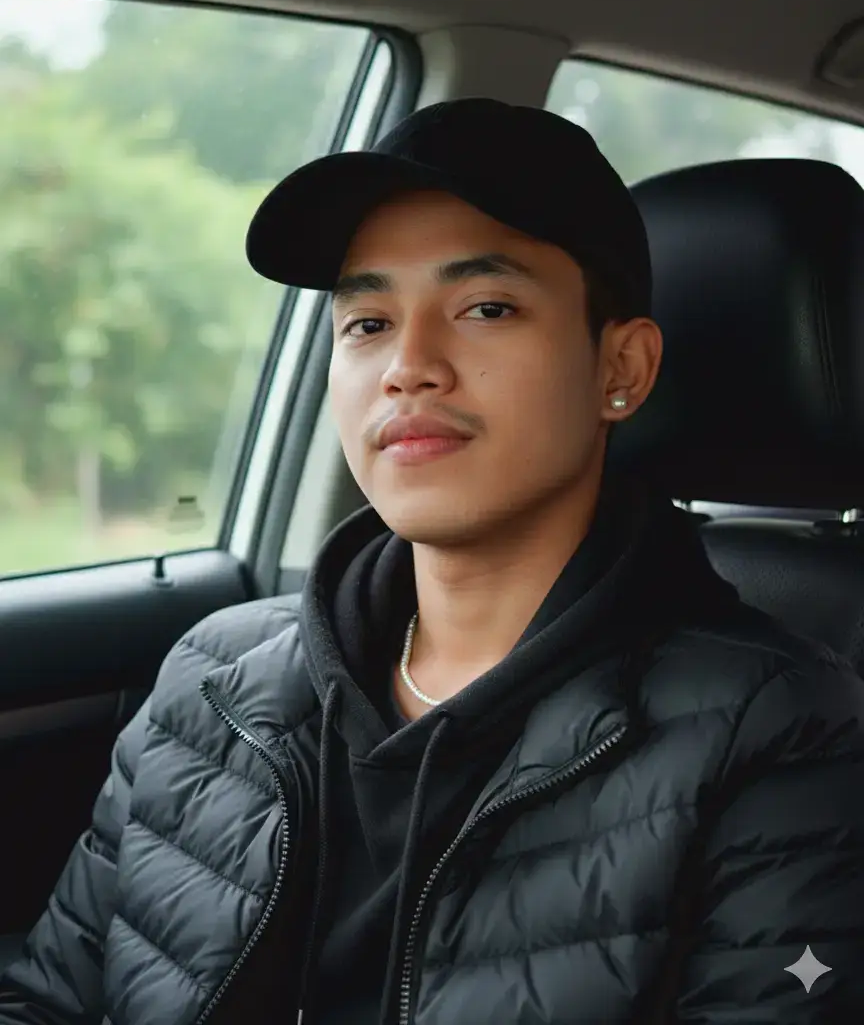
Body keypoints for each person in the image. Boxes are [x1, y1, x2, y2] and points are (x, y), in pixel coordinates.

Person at [1, 98, 863, 1025]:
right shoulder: (213, 680)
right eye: (367, 322)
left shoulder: (785, 735)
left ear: (621, 369)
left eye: (487, 308)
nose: (408, 365)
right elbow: (48, 1002)